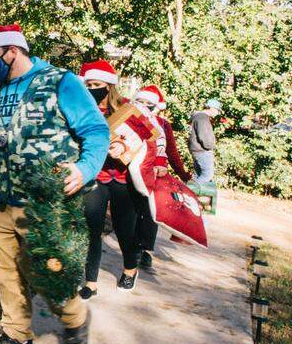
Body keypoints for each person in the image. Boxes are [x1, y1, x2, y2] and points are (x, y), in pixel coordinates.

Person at [0, 24, 108, 344]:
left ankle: (75, 319)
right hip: (2, 202)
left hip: (44, 205)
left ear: (13, 51)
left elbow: (96, 131)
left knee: (49, 272)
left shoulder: (60, 82)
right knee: (6, 274)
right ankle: (17, 337)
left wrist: (84, 169)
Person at [77, 60, 145, 297]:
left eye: (97, 84)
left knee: (124, 228)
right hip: (96, 176)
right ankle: (91, 283)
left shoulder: (128, 109)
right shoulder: (83, 109)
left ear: (110, 86)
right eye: (88, 84)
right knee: (92, 228)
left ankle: (130, 269)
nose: (92, 89)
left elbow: (144, 140)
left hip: (123, 179)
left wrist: (123, 148)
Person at [131, 85, 190, 268]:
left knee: (150, 213)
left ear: (155, 106)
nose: (143, 106)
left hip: (155, 173)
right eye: (140, 102)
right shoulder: (130, 119)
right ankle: (133, 248)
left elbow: (171, 152)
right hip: (132, 171)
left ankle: (146, 250)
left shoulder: (163, 124)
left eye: (148, 103)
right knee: (133, 211)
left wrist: (183, 174)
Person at [188, 98, 222, 184]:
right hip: (202, 151)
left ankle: (193, 195)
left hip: (197, 150)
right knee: (207, 175)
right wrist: (211, 146)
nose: (218, 113)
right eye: (217, 110)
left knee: (198, 175)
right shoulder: (202, 118)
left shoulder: (198, 116)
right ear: (212, 108)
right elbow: (204, 137)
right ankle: (188, 192)